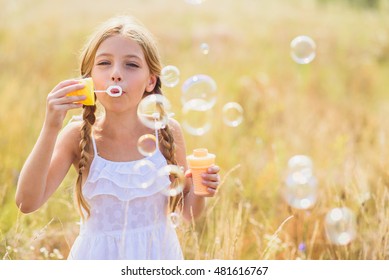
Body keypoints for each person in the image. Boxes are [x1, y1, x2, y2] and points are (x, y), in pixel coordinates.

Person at [15, 15, 221, 260]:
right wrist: (51, 126)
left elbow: (187, 214)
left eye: (131, 65)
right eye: (104, 63)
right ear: (89, 80)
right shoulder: (78, 136)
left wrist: (200, 191)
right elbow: (26, 203)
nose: (116, 74)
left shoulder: (167, 131)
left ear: (150, 81)